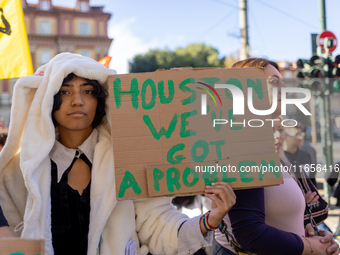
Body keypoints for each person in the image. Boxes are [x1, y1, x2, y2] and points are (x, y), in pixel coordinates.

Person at [0, 53, 236, 255]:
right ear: (48, 100)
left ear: (100, 100)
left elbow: (157, 225)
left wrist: (209, 220)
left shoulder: (129, 158)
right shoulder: (18, 172)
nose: (77, 101)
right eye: (64, 92)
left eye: (88, 91)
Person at [213, 58, 338, 255]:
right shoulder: (243, 145)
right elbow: (250, 234)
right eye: (273, 82)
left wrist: (309, 233)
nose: (284, 87)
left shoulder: (267, 148)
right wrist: (311, 247)